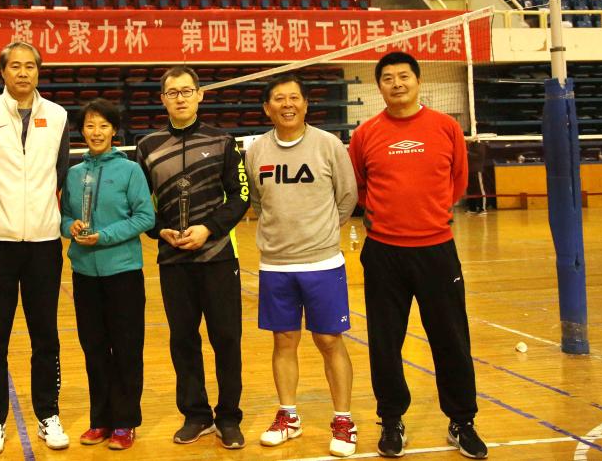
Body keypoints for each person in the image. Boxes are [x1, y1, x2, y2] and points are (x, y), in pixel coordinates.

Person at [348, 51, 487, 459]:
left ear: (418, 80)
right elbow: (359, 185)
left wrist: (431, 214)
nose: (397, 83)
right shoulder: (366, 134)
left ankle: (462, 421)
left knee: (451, 339)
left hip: (436, 251)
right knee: (384, 342)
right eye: (388, 78)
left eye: (404, 76)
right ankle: (391, 420)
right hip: (384, 253)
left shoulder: (446, 127)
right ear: (379, 87)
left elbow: (458, 179)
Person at [0, 41, 71, 455]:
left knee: (46, 336)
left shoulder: (57, 116)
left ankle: (48, 414)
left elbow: (59, 173)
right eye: (15, 66)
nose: (23, 73)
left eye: (30, 66)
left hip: (43, 243)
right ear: (3, 72)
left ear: (39, 72)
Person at [134, 65, 249, 450]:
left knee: (226, 339)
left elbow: (241, 196)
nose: (180, 98)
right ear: (162, 99)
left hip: (218, 258)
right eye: (173, 92)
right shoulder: (147, 147)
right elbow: (140, 203)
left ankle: (228, 417)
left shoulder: (223, 141)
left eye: (186, 91)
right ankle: (196, 415)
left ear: (200, 95)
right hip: (173, 260)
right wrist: (158, 231)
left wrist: (209, 229)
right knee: (183, 339)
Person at [243, 75, 359, 457]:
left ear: (306, 104)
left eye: (294, 97)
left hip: (322, 263)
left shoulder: (328, 145)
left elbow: (347, 196)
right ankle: (288, 416)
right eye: (279, 99)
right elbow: (258, 201)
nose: (287, 104)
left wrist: (321, 233)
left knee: (329, 340)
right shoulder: (256, 150)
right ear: (267, 108)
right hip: (276, 264)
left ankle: (343, 420)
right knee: (283, 340)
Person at [60, 99, 155, 451]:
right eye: (89, 125)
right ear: (81, 131)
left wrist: (106, 236)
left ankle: (126, 421)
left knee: (127, 349)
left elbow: (145, 217)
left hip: (123, 273)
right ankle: (100, 419)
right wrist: (72, 227)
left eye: (103, 125)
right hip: (85, 274)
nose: (96, 132)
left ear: (114, 130)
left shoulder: (130, 170)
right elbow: (63, 217)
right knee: (94, 349)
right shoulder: (73, 174)